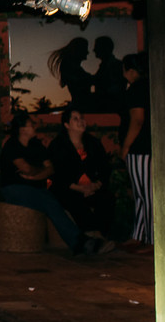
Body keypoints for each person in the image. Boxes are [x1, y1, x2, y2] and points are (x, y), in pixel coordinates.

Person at [0, 113, 110, 255]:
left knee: (55, 200)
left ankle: (87, 237)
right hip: (15, 189)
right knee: (49, 202)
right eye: (31, 124)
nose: (35, 127)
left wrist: (35, 176)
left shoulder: (36, 145)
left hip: (36, 188)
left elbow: (50, 169)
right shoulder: (12, 145)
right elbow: (26, 168)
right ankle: (78, 241)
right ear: (22, 129)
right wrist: (40, 172)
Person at [48, 108, 116, 239]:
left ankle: (103, 234)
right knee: (74, 199)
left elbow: (104, 167)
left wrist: (96, 184)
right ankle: (91, 234)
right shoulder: (58, 146)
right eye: (75, 119)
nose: (81, 121)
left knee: (107, 198)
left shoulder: (93, 143)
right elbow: (57, 175)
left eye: (81, 118)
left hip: (91, 186)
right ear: (67, 125)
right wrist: (79, 188)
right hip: (68, 188)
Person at [120, 53, 152, 249]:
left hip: (140, 150)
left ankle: (151, 239)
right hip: (143, 148)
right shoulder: (146, 87)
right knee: (141, 193)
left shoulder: (137, 89)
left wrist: (126, 145)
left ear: (131, 71)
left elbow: (137, 119)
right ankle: (139, 235)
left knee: (145, 193)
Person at [47, 37, 94, 111]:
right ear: (79, 50)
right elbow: (80, 84)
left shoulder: (72, 69)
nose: (87, 52)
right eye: (85, 49)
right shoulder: (71, 69)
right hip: (81, 106)